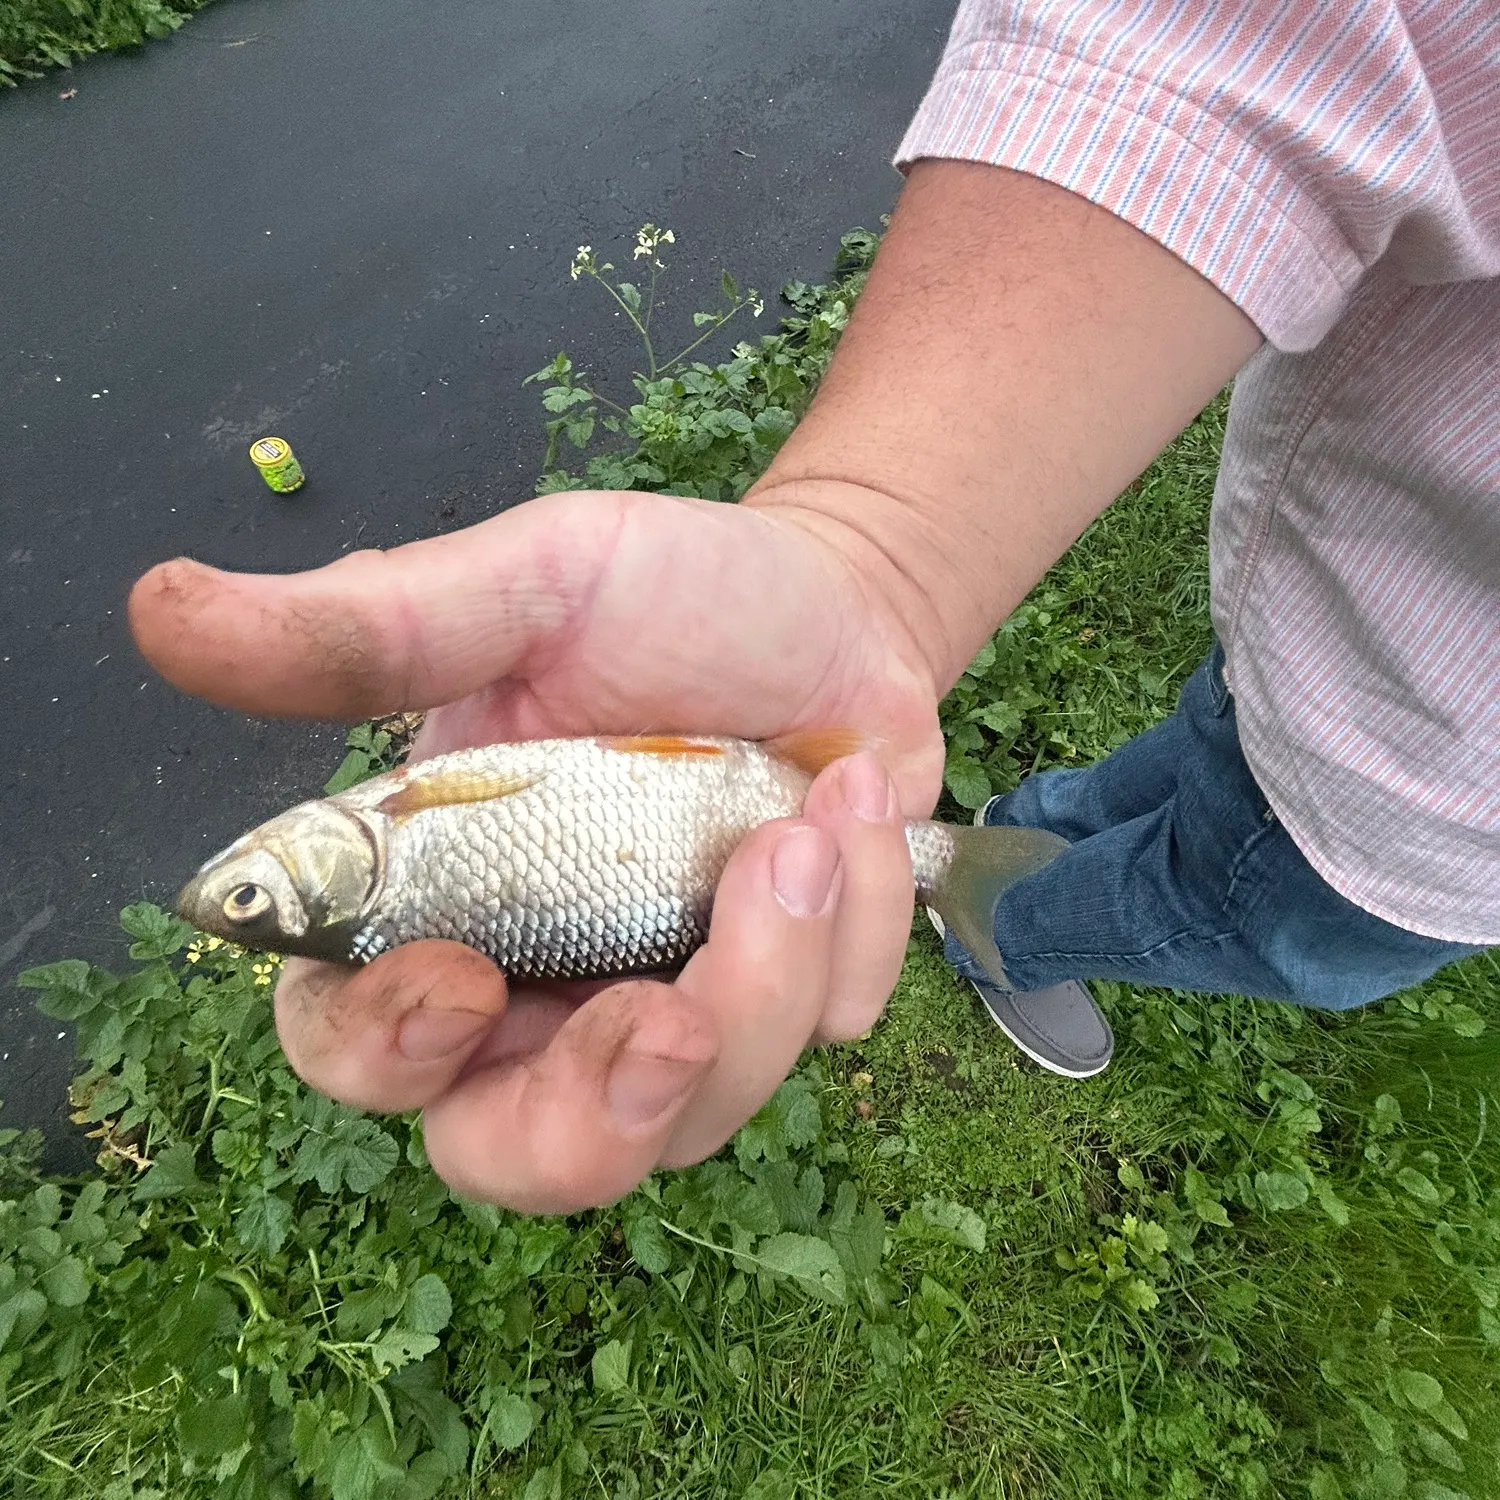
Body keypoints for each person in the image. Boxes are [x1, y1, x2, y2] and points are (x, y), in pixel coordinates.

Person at [129, 0, 1497, 1213]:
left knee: (1212, 823)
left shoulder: (396, 836)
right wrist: (870, 559)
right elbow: (1276, 38)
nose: (249, 877)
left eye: (251, 891)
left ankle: (996, 895)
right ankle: (1001, 910)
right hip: (1361, 713)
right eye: (255, 894)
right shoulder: (402, 842)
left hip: (1398, 767)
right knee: (1247, 878)